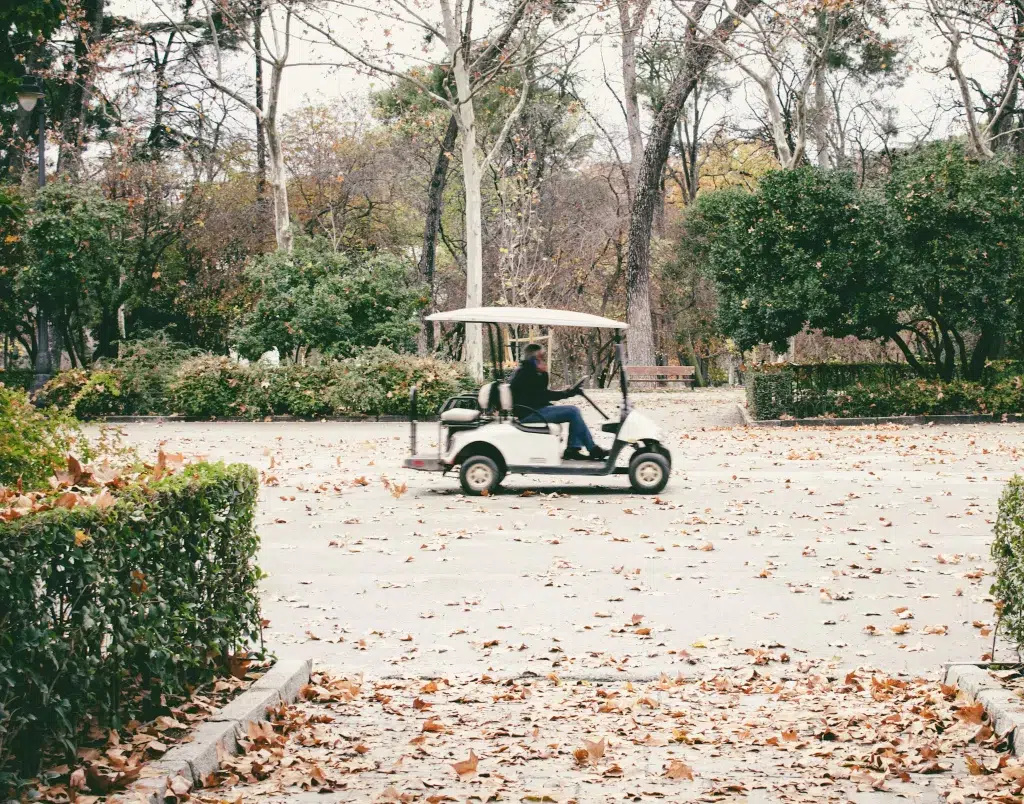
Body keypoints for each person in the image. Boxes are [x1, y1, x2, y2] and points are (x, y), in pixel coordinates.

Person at [509, 343, 606, 461]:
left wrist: (544, 375)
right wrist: (564, 393)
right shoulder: (525, 373)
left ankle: (574, 449)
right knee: (573, 411)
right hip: (529, 413)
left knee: (573, 412)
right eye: (541, 356)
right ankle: (587, 449)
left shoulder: (533, 371)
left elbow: (541, 393)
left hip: (534, 410)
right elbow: (542, 396)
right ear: (534, 358)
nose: (543, 359)